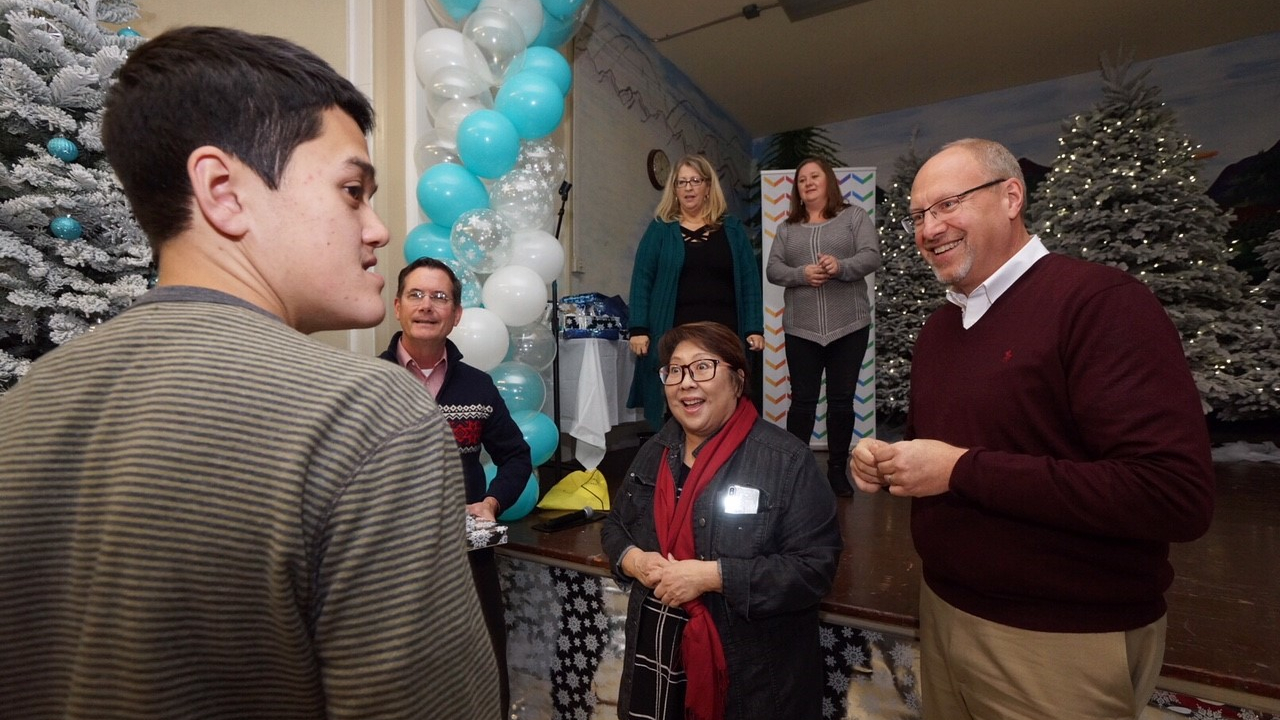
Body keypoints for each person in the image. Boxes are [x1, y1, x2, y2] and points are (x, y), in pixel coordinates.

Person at [0, 27, 499, 719]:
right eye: (353, 190)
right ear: (223, 191)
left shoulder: (21, 409)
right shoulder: (366, 413)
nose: (379, 229)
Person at [850, 138, 1215, 720]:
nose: (927, 228)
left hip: (1056, 645)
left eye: (947, 205)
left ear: (1011, 195)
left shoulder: (1100, 304)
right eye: (918, 215)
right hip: (943, 615)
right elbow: (950, 455)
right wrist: (888, 463)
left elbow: (1172, 495)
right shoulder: (940, 332)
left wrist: (960, 470)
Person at [602, 321, 842, 720]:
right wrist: (633, 560)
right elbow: (615, 527)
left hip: (753, 676)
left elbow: (814, 570)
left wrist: (713, 577)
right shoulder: (655, 451)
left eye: (702, 367)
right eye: (675, 371)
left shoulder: (786, 460)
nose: (686, 383)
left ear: (737, 378)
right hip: (656, 656)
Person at [379, 255, 533, 718]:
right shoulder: (368, 383)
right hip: (390, 561)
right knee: (397, 673)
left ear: (457, 314)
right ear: (397, 307)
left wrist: (490, 502)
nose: (427, 306)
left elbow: (516, 457)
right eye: (417, 296)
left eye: (440, 297)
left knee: (483, 663)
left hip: (468, 558)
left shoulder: (479, 386)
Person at [766, 157, 881, 497]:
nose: (808, 183)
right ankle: (796, 473)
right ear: (797, 190)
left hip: (850, 325)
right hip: (800, 329)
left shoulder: (854, 217)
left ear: (828, 181)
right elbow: (774, 269)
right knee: (801, 402)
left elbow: (871, 256)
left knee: (842, 401)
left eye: (815, 176)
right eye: (802, 179)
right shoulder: (786, 228)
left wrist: (840, 266)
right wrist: (801, 274)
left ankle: (835, 471)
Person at [627, 154, 764, 431]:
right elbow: (642, 280)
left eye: (695, 181)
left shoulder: (733, 230)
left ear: (707, 187)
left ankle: (726, 461)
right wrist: (638, 328)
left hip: (724, 334)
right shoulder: (660, 231)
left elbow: (750, 282)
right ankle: (679, 461)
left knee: (725, 397)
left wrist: (754, 327)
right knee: (682, 396)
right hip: (676, 334)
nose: (689, 188)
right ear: (674, 191)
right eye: (681, 182)